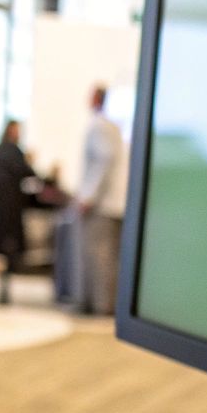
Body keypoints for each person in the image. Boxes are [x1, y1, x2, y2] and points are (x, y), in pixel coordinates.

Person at [77, 86, 130, 316]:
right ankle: (104, 303)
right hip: (114, 204)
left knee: (99, 256)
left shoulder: (100, 126)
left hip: (102, 205)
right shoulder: (113, 127)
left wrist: (87, 197)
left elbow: (102, 162)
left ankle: (101, 305)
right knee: (108, 256)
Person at [0, 119, 37, 305]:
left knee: (2, 250)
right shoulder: (13, 151)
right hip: (10, 212)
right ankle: (4, 288)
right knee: (9, 248)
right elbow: (28, 172)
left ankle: (4, 288)